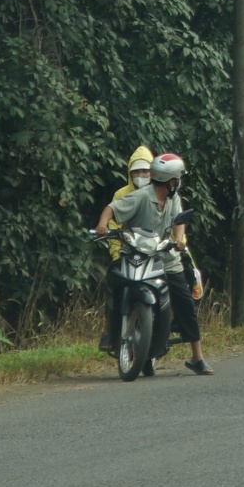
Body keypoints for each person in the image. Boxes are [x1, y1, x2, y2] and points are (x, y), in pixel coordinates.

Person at [99, 150, 209, 373]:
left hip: (165, 257)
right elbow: (112, 208)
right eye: (177, 179)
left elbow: (179, 220)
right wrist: (102, 225)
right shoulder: (141, 196)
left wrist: (178, 240)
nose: (178, 182)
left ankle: (197, 356)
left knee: (185, 302)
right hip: (138, 256)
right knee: (115, 281)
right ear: (169, 181)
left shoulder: (174, 198)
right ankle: (113, 332)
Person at [95, 146, 154, 352]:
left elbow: (172, 227)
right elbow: (113, 224)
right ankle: (112, 333)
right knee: (114, 284)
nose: (141, 176)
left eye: (145, 171)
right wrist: (116, 252)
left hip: (156, 252)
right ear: (129, 173)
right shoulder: (122, 194)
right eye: (136, 172)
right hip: (128, 253)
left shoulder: (160, 193)